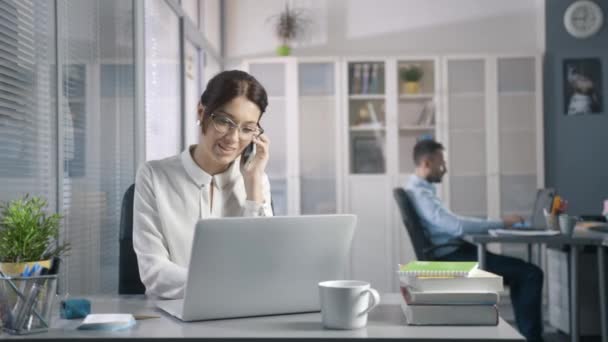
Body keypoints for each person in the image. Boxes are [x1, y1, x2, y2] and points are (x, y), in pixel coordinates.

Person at [133, 70, 273, 299]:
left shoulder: (255, 180)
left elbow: (264, 264)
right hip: (173, 317)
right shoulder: (153, 176)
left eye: (247, 129)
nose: (233, 138)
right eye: (224, 122)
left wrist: (253, 186)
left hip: (241, 314)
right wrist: (226, 287)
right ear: (202, 111)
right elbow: (154, 271)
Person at [405, 139, 543, 342]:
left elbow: (452, 223)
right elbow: (457, 226)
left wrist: (493, 223)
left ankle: (527, 336)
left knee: (523, 273)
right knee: (530, 274)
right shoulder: (420, 194)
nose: (444, 169)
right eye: (441, 164)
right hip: (452, 257)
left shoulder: (420, 190)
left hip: (454, 251)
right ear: (427, 163)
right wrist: (501, 223)